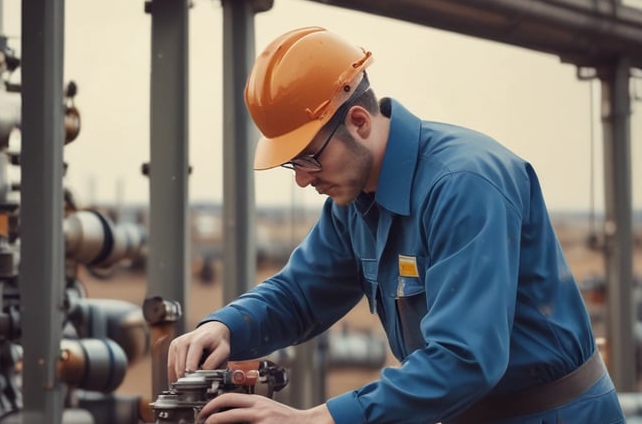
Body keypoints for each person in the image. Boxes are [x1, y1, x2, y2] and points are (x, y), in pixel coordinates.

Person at [167, 26, 625, 423]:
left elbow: (465, 359)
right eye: (293, 166)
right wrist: (226, 326)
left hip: (552, 416)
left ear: (360, 121)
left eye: (309, 158)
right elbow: (301, 294)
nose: (305, 179)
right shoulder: (355, 200)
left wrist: (322, 418)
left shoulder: (462, 186)